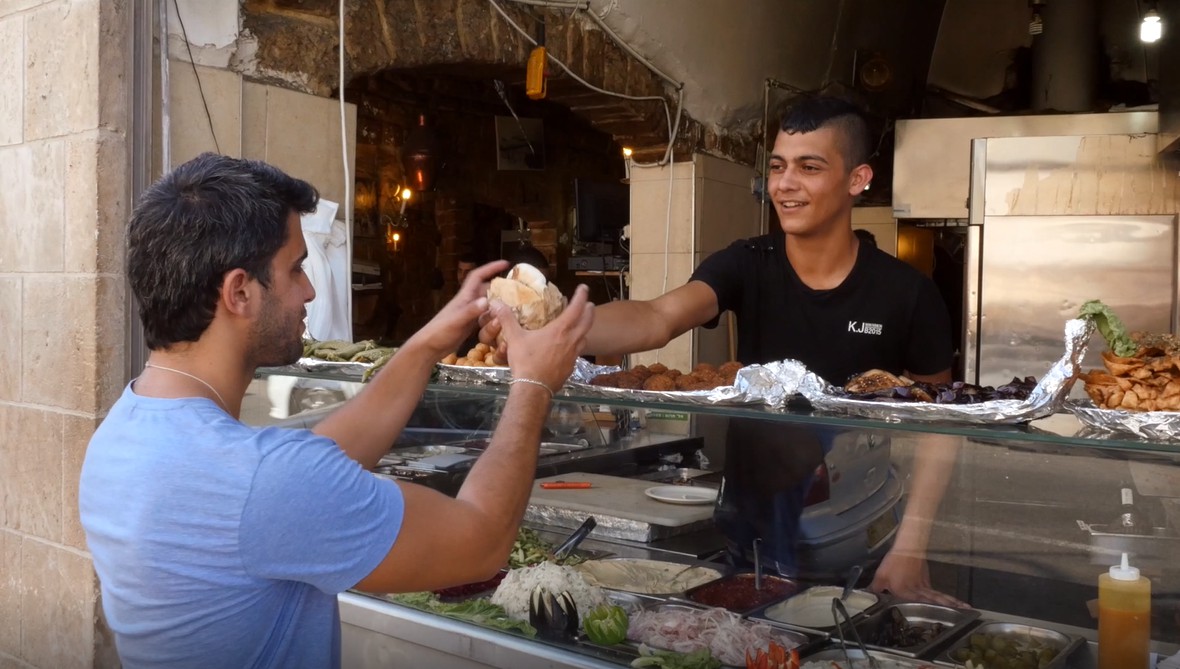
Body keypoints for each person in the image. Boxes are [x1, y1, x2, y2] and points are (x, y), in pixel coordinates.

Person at [78, 153, 595, 669]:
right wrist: (533, 383)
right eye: (295, 268)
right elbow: (480, 542)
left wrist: (428, 342)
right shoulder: (265, 481)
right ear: (239, 291)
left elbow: (320, 458)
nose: (309, 289)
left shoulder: (124, 427)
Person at [482, 96, 962, 605]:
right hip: (751, 538)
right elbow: (656, 318)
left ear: (857, 179)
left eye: (809, 167)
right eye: (777, 166)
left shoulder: (906, 292)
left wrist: (911, 546)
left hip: (855, 534)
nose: (785, 184)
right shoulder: (748, 262)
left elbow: (942, 427)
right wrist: (557, 322)